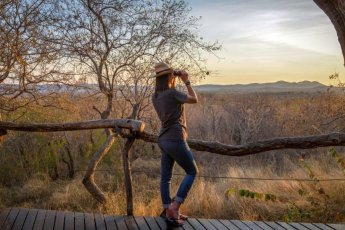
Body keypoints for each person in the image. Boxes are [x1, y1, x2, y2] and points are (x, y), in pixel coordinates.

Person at [151, 62, 199, 226]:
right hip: (175, 138)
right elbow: (194, 99)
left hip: (163, 139)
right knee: (192, 171)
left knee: (166, 177)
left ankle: (167, 210)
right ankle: (175, 207)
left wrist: (174, 76)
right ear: (169, 77)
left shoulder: (155, 96)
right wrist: (186, 81)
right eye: (172, 74)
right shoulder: (172, 93)